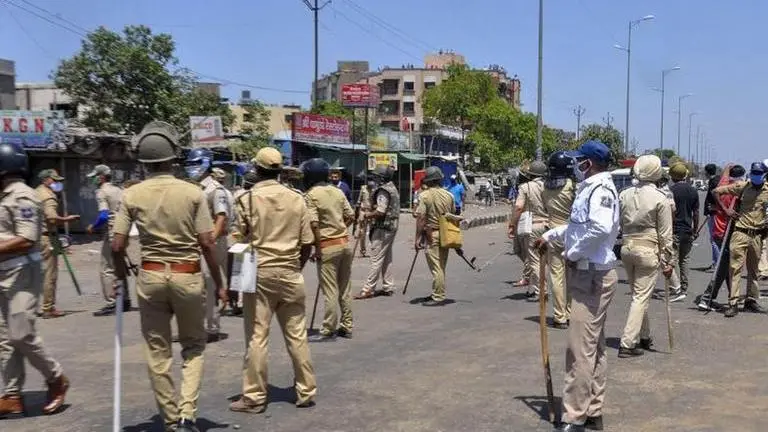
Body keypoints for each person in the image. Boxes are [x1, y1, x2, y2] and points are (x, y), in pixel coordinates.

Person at [110, 122, 226, 432]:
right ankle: (188, 414)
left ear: (143, 160)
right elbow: (206, 242)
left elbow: (117, 244)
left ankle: (171, 420)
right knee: (193, 347)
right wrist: (221, 282)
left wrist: (121, 277)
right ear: (173, 157)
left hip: (150, 276)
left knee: (157, 352)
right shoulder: (193, 192)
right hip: (187, 276)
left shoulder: (132, 194)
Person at [536, 140, 620, 432]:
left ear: (589, 163)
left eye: (578, 160)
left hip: (592, 274)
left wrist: (572, 253)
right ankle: (593, 410)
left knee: (579, 350)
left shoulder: (600, 190)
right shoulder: (590, 189)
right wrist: (551, 236)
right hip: (589, 273)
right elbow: (578, 228)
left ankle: (575, 416)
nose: (574, 165)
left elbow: (599, 229)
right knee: (593, 347)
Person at [228, 147, 316, 414]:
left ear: (256, 169)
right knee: (297, 335)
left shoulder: (247, 199)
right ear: (280, 170)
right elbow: (307, 244)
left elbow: (238, 245)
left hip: (260, 275)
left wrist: (235, 285)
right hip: (290, 274)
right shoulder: (298, 199)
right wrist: (294, 268)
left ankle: (254, 397)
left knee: (257, 337)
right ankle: (306, 391)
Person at [0, 142, 70, 417]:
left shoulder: (23, 196)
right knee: (5, 339)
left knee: (22, 333)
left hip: (22, 273)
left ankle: (56, 378)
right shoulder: (4, 195)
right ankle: (12, 395)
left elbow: (26, 239)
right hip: (4, 273)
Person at [617, 155, 674, 358]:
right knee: (641, 297)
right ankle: (627, 343)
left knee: (638, 296)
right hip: (648, 250)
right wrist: (668, 261)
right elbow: (665, 234)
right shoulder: (660, 198)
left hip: (627, 248)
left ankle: (644, 335)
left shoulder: (624, 194)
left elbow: (619, 224)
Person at [302, 158, 355, 342]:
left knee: (330, 290)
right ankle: (346, 325)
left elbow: (314, 224)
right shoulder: (338, 191)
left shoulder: (310, 195)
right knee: (345, 288)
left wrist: (317, 247)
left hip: (327, 246)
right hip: (344, 244)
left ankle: (328, 328)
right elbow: (351, 215)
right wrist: (340, 228)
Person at [184, 148, 233, 342]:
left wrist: (210, 240)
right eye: (190, 164)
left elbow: (221, 217)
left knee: (210, 282)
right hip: (197, 242)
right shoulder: (195, 188)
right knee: (197, 284)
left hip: (213, 242)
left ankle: (212, 328)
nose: (192, 168)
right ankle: (198, 325)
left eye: (196, 163)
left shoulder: (215, 189)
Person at [713, 161, 768, 318]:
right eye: (754, 173)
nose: (756, 176)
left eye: (759, 174)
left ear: (764, 175)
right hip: (740, 232)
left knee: (754, 270)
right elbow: (716, 191)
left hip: (757, 234)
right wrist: (726, 210)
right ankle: (733, 303)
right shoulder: (742, 187)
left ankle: (751, 300)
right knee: (735, 268)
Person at [696, 164, 743, 311]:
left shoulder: (723, 184)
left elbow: (719, 185)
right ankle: (708, 297)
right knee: (725, 266)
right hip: (727, 231)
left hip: (719, 228)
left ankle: (731, 297)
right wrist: (727, 210)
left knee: (729, 265)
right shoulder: (737, 190)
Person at [35, 169, 79, 319]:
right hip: (48, 238)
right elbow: (52, 219)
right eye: (54, 180)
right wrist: (68, 219)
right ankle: (48, 308)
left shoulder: (36, 192)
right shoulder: (49, 197)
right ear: (46, 180)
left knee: (38, 274)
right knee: (50, 275)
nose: (57, 184)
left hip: (36, 238)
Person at [88, 164, 131, 317]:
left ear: (101, 177)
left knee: (107, 269)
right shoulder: (119, 190)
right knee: (120, 265)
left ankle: (113, 301)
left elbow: (104, 216)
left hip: (112, 232)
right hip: (123, 231)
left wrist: (93, 227)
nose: (93, 180)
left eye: (94, 177)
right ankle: (125, 299)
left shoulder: (102, 192)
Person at [542, 151, 577, 329]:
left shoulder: (545, 187)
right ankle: (570, 312)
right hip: (570, 232)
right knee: (571, 275)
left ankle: (559, 316)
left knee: (556, 276)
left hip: (552, 231)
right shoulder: (572, 186)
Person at [354, 166, 400, 299]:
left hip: (383, 227)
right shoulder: (392, 188)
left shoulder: (383, 191)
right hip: (391, 227)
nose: (374, 179)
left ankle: (368, 288)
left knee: (376, 258)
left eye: (376, 177)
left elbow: (380, 211)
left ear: (381, 178)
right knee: (386, 257)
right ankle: (388, 286)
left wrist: (367, 215)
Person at [414, 166, 456, 306]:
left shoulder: (424, 196)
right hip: (446, 233)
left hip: (431, 233)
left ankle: (438, 296)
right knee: (441, 266)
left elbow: (421, 218)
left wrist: (418, 238)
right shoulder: (449, 195)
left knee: (436, 267)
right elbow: (452, 217)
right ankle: (436, 292)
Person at [508, 161, 548, 301]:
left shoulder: (525, 187)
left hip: (533, 225)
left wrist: (512, 225)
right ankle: (535, 287)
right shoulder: (549, 186)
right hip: (548, 226)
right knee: (541, 260)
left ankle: (540, 291)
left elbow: (519, 207)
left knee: (534, 260)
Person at [667, 162, 700, 302]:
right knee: (684, 260)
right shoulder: (693, 191)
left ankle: (676, 287)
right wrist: (695, 229)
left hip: (673, 230)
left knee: (670, 260)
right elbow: (696, 212)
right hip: (687, 230)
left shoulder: (670, 191)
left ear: (672, 177)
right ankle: (684, 287)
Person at [703, 163, 721, 270]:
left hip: (714, 214)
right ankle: (715, 262)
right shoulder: (716, 181)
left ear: (707, 172)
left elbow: (714, 197)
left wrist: (713, 208)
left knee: (714, 239)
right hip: (714, 213)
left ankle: (718, 264)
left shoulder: (714, 182)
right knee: (713, 239)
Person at [355, 179, 374, 257]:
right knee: (362, 233)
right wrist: (356, 214)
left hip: (372, 212)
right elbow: (359, 201)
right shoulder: (363, 189)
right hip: (363, 211)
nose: (371, 184)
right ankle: (362, 250)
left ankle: (374, 250)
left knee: (373, 232)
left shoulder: (375, 190)